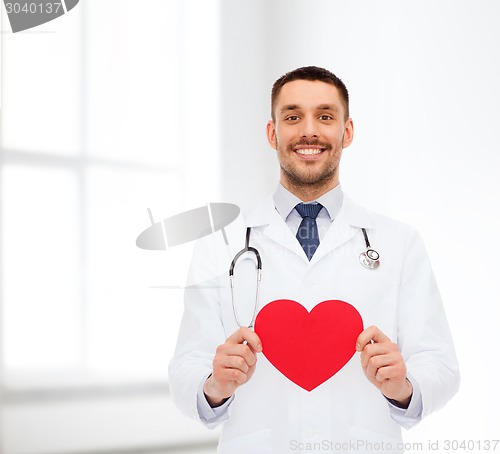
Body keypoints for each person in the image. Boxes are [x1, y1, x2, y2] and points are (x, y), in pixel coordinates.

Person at [168, 66, 460, 453]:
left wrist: (404, 387)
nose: (309, 131)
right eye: (292, 117)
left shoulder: (399, 242)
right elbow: (187, 364)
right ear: (273, 134)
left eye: (325, 116)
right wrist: (214, 385)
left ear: (347, 131)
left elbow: (440, 362)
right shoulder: (221, 244)